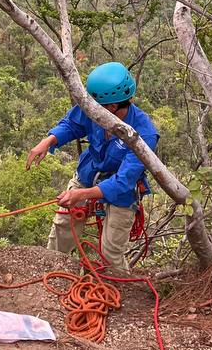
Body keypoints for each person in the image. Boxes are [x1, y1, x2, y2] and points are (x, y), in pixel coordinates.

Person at [26, 61, 159, 274]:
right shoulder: (95, 109)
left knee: (111, 252)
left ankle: (116, 289)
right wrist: (49, 140)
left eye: (95, 105)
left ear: (112, 107)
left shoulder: (144, 134)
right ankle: (52, 275)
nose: (90, 108)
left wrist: (82, 194)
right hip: (88, 174)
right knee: (64, 227)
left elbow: (124, 180)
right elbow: (73, 124)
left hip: (121, 191)